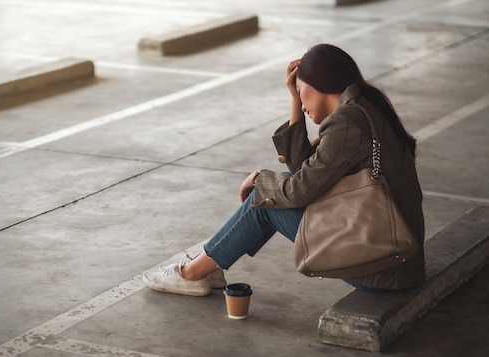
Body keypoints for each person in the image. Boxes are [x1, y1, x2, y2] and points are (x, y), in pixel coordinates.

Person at [143, 43, 425, 296]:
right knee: (279, 187)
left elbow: (299, 191)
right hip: (394, 255)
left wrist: (258, 180)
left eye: (301, 94)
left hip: (383, 267)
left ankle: (193, 273)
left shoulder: (347, 123)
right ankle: (210, 264)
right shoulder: (362, 105)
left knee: (265, 203)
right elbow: (306, 172)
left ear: (317, 86)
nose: (302, 106)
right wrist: (293, 98)